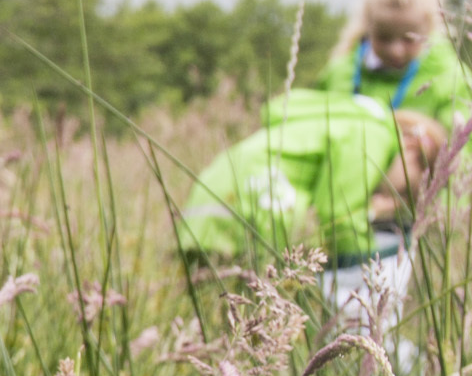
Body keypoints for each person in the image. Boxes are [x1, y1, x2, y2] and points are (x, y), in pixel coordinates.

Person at [180, 94, 444, 334]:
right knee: (236, 325)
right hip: (250, 206)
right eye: (409, 190)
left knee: (206, 321)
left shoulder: (346, 119)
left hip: (209, 206)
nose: (401, 197)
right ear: (411, 148)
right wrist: (370, 242)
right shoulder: (373, 134)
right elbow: (338, 218)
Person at [313, 0, 470, 128]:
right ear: (368, 24)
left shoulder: (452, 79)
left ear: (430, 26)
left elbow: (466, 143)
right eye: (384, 37)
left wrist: (430, 142)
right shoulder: (338, 74)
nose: (396, 50)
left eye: (409, 38)